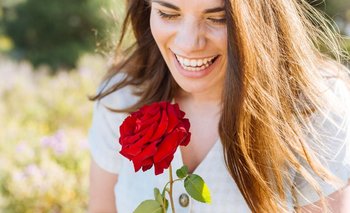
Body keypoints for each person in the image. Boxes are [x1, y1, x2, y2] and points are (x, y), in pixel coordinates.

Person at [87, 0, 350, 212]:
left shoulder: (315, 108)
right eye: (168, 13)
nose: (189, 43)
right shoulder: (121, 97)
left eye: (217, 18)